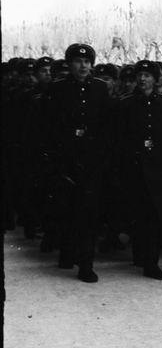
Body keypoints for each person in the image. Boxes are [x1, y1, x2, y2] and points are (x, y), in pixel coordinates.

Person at [41, 43, 111, 282]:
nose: (83, 66)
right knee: (66, 210)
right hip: (65, 159)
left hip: (91, 159)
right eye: (78, 62)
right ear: (70, 64)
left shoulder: (100, 88)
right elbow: (48, 126)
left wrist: (100, 156)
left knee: (88, 214)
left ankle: (86, 264)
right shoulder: (57, 89)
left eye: (87, 62)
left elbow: (106, 125)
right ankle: (67, 253)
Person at [116, 60, 162, 279]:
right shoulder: (125, 104)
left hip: (159, 168)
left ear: (156, 79)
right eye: (140, 75)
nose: (143, 79)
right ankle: (139, 256)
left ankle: (151, 262)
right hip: (134, 167)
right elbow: (120, 138)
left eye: (148, 75)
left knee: (155, 216)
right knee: (138, 214)